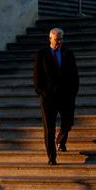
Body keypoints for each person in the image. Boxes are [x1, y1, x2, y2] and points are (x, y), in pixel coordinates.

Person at [33, 27, 79, 165]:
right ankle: (52, 158)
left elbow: (74, 75)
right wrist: (41, 92)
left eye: (61, 39)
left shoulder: (68, 53)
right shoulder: (42, 54)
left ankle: (60, 140)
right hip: (48, 98)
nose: (59, 42)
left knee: (68, 121)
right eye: (56, 39)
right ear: (50, 39)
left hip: (66, 96)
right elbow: (37, 76)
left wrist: (73, 92)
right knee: (49, 129)